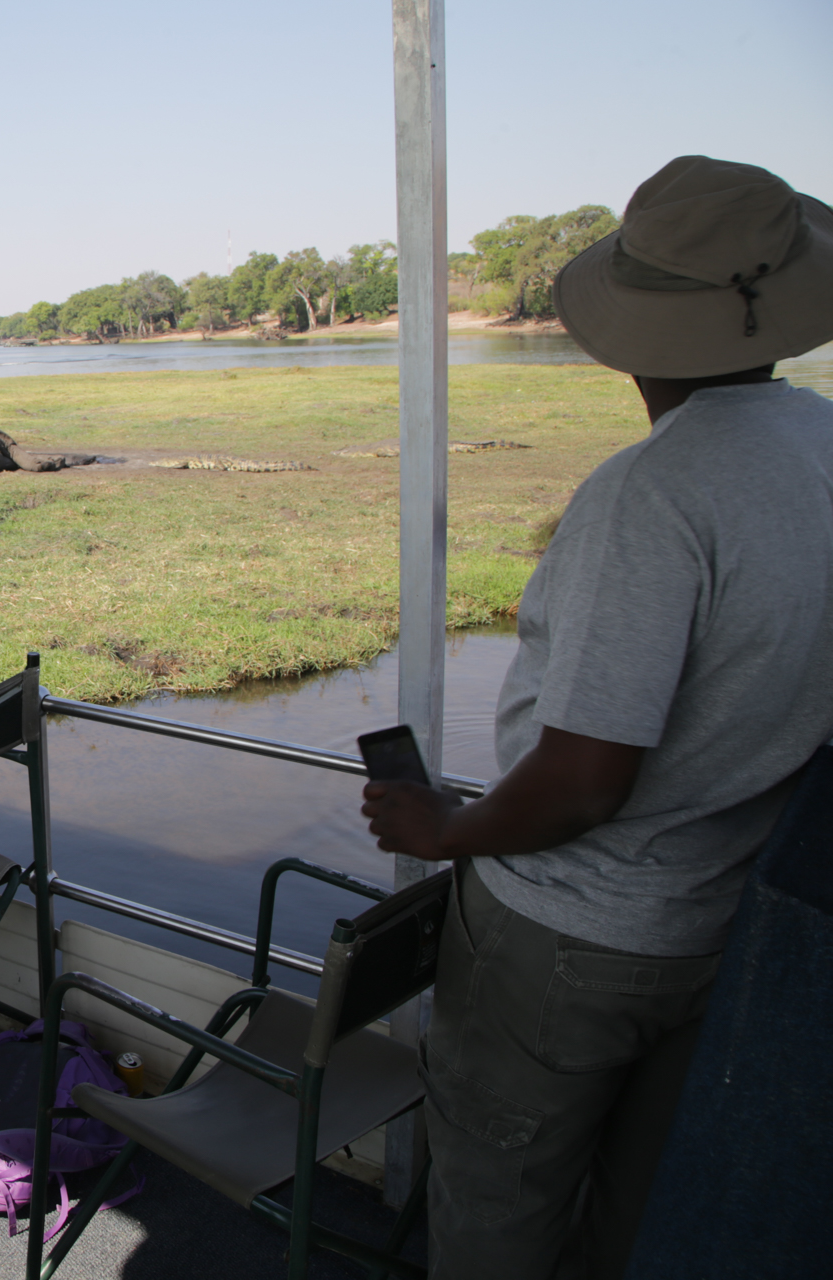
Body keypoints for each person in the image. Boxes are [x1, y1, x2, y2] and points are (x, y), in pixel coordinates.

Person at [360, 156, 833, 1279]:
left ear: (629, 327)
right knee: (639, 1208)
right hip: (730, 916)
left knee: (494, 1207)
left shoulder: (651, 494)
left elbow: (584, 779)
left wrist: (446, 829)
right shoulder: (816, 442)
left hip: (571, 938)